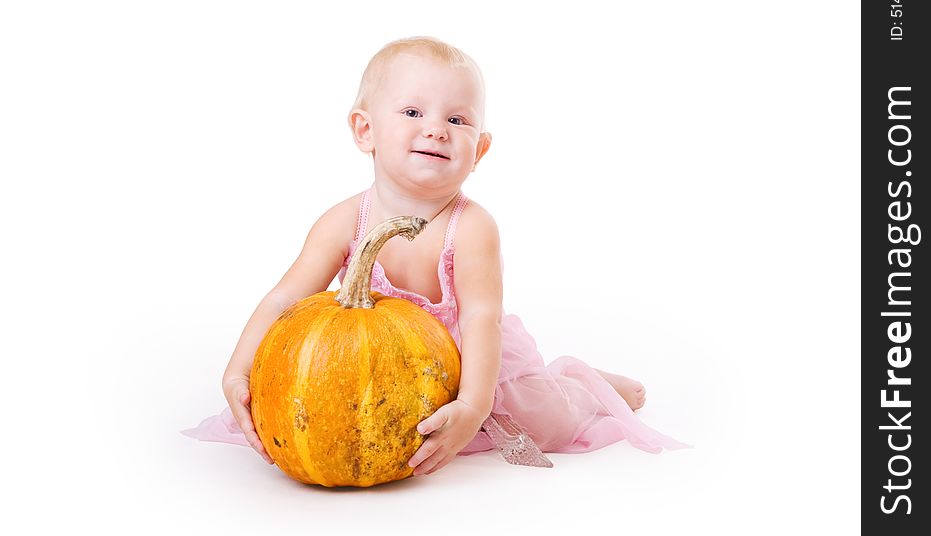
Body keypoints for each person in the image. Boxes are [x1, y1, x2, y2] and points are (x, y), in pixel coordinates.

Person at [182, 36, 687, 476]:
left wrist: (471, 405)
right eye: (412, 112)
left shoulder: (470, 227)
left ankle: (581, 388)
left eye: (458, 119)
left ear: (480, 149)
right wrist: (237, 371)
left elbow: (481, 318)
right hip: (379, 371)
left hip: (469, 360)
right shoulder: (343, 222)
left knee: (547, 423)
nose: (437, 128)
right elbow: (284, 301)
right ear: (365, 131)